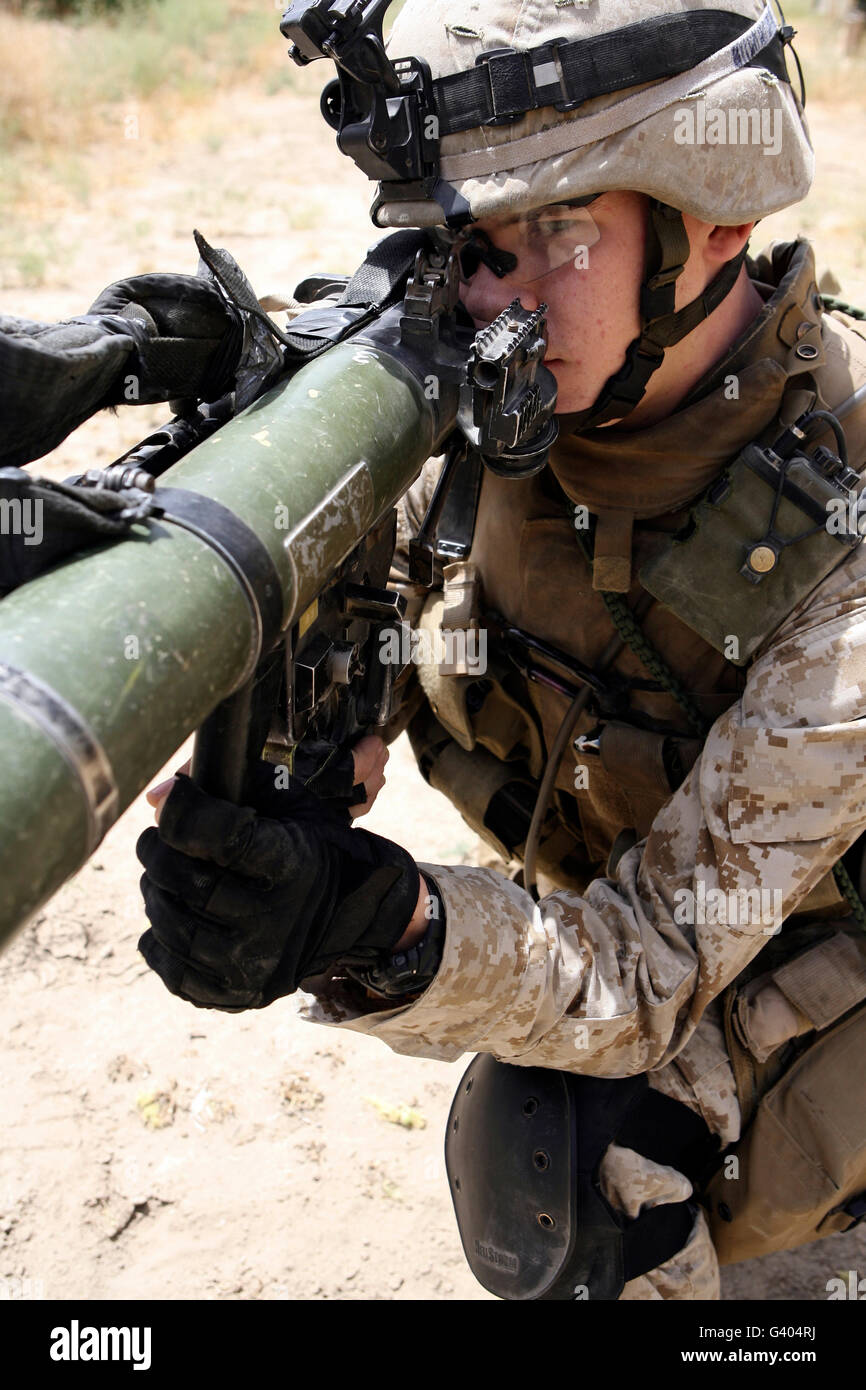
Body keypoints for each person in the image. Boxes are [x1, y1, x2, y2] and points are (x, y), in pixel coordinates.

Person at [136, 0, 866, 1300]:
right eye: (466, 239)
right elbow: (383, 577)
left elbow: (643, 959)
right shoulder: (510, 390)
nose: (488, 292)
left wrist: (382, 926)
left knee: (588, 1182)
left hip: (809, 940)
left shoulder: (844, 529)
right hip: (650, 902)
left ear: (714, 215)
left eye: (556, 231)